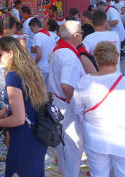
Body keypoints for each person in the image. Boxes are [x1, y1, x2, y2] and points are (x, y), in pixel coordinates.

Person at [71, 41, 125, 177]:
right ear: (116, 59)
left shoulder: (84, 83)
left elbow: (76, 109)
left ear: (96, 59)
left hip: (96, 140)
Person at [0, 36, 48, 177]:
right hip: (37, 134)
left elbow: (19, 118)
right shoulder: (31, 70)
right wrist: (5, 111)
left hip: (23, 137)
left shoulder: (12, 76)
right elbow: (27, 103)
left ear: (11, 53)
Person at [48, 21, 86, 177]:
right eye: (81, 33)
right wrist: (76, 105)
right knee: (71, 147)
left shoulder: (59, 51)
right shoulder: (69, 55)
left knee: (65, 147)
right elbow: (66, 85)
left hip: (60, 102)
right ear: (76, 36)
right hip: (67, 105)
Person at [28, 17, 53, 85]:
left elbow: (39, 54)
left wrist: (33, 65)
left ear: (36, 26)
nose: (32, 31)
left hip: (41, 67)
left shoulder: (37, 36)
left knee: (40, 91)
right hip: (50, 66)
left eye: (32, 29)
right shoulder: (49, 34)